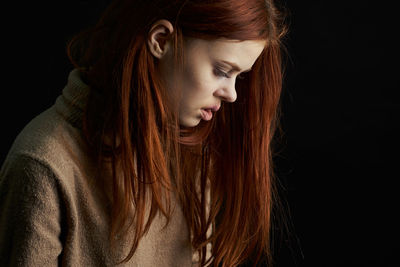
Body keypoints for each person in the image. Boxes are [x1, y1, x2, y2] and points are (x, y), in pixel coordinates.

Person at [0, 0, 288, 266]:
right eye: (222, 71)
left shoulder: (192, 150)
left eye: (240, 76)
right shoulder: (42, 164)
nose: (232, 95)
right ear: (161, 40)